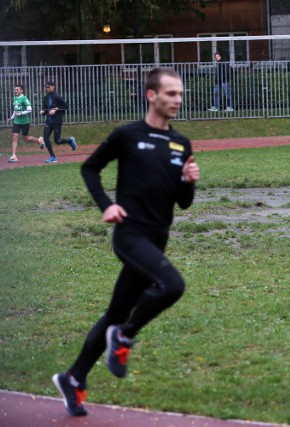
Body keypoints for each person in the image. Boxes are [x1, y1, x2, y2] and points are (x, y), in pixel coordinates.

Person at [52, 67, 200, 417]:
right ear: (152, 96)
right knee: (173, 285)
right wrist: (107, 205)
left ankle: (73, 378)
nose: (177, 100)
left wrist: (189, 181)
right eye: (170, 94)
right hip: (130, 235)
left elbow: (184, 203)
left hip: (157, 238)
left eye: (180, 94)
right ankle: (125, 336)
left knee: (116, 311)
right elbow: (90, 168)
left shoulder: (181, 143)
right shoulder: (127, 135)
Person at [39, 80, 77, 164]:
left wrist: (56, 109)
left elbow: (66, 106)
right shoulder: (46, 98)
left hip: (57, 122)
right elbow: (46, 110)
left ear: (53, 87)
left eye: (48, 87)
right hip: (48, 122)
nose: (47, 89)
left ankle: (70, 141)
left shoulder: (57, 97)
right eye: (46, 87)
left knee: (57, 141)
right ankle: (53, 157)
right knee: (46, 137)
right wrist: (43, 112)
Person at [7, 84, 44, 163]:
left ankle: (39, 140)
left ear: (21, 90)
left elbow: (29, 109)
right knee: (14, 136)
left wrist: (20, 114)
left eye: (17, 89)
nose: (15, 91)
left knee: (26, 138)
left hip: (25, 122)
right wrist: (12, 117)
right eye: (15, 89)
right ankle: (14, 156)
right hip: (16, 121)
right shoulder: (15, 98)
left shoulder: (24, 99)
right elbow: (15, 110)